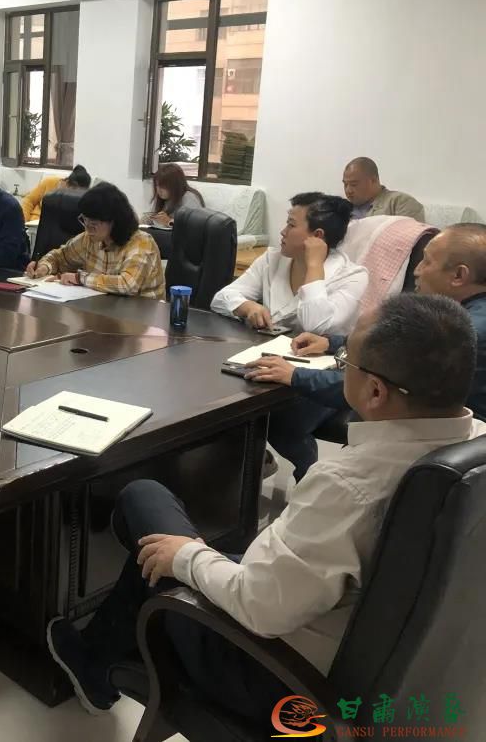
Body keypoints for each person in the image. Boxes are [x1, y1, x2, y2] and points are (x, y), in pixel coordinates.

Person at [47, 293, 484, 721]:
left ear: (374, 391)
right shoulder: (474, 447)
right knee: (158, 534)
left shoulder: (349, 486)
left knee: (142, 500)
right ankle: (106, 652)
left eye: (345, 360)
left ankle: (98, 661)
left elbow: (260, 607)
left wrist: (187, 557)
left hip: (274, 674)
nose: (341, 367)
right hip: (367, 650)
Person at [246, 223, 486, 480]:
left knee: (288, 418)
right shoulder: (463, 321)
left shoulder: (457, 334)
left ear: (459, 275)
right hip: (463, 445)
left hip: (432, 448)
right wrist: (332, 343)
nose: (416, 271)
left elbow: (372, 385)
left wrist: (295, 375)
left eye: (426, 261)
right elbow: (393, 348)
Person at [211, 192, 367, 335]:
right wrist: (247, 307)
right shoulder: (272, 259)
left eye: (291, 225)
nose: (283, 231)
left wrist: (314, 265)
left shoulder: (352, 276)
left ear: (317, 236)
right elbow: (220, 299)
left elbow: (315, 325)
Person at [23, 183, 165, 298]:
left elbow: (127, 284)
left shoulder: (141, 243)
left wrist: (80, 278)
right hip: (103, 311)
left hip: (141, 317)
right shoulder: (89, 239)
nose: (88, 228)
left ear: (114, 221)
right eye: (85, 220)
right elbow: (60, 257)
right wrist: (44, 267)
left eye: (94, 223)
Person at [342, 157, 424, 222]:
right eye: (345, 184)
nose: (348, 190)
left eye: (354, 184)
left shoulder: (400, 202)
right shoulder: (342, 209)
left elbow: (411, 236)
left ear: (373, 180)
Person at [20, 165, 92, 223]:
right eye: (76, 191)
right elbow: (28, 200)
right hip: (35, 222)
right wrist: (24, 222)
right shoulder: (50, 182)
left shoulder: (80, 197)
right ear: (68, 183)